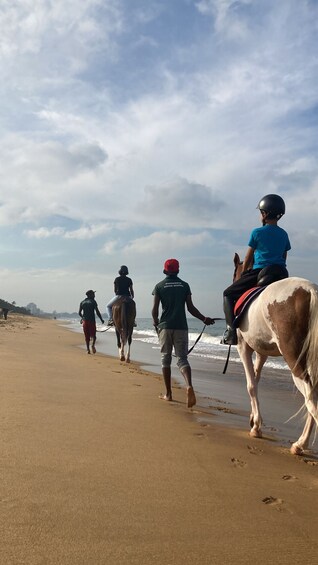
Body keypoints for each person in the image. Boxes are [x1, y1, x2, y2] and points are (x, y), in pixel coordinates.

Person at [222, 194, 291, 346]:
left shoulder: (257, 232)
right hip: (281, 272)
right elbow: (284, 256)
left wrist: (245, 271)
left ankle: (231, 331)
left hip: (260, 271)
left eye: (261, 212)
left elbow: (247, 258)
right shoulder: (284, 234)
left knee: (227, 293)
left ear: (265, 214)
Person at [152, 258, 214, 408]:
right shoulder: (184, 285)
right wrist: (204, 319)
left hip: (165, 327)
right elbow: (191, 308)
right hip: (181, 326)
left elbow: (154, 310)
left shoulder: (159, 286)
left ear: (164, 271)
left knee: (165, 359)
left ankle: (168, 394)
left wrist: (156, 323)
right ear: (178, 270)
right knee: (182, 359)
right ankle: (189, 386)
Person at [78, 290, 104, 354]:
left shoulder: (82, 302)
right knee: (93, 336)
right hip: (91, 321)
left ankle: (88, 350)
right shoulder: (93, 302)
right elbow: (97, 312)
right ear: (90, 295)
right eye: (93, 294)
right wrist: (101, 319)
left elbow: (79, 313)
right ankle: (92, 345)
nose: (94, 295)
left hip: (85, 322)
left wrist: (82, 318)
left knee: (87, 336)